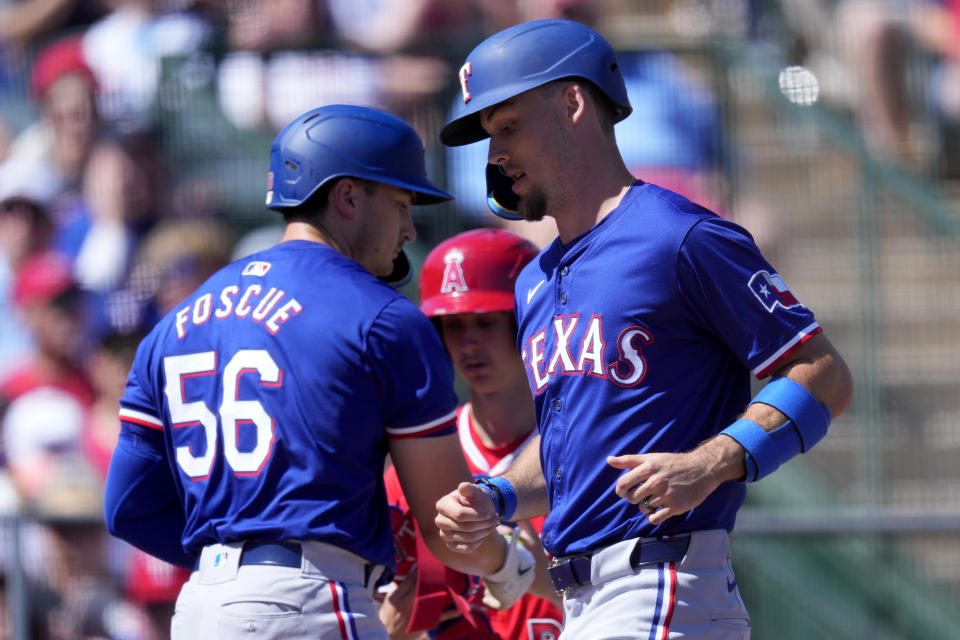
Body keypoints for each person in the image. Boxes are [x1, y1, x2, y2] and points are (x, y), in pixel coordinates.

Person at [434, 18, 855, 639]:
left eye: (509, 125)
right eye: (490, 135)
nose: (494, 154)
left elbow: (824, 376)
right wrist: (494, 497)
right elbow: (567, 453)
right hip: (583, 600)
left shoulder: (679, 235)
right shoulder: (534, 280)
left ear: (573, 102)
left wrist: (713, 461)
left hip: (661, 584)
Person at [102, 104, 535, 639]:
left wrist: (237, 565)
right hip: (309, 602)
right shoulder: (382, 317)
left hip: (199, 608)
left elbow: (127, 508)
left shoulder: (173, 325)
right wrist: (509, 564)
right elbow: (447, 526)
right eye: (400, 203)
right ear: (348, 195)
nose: (407, 228)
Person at [379, 228, 563, 640]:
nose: (468, 343)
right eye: (452, 324)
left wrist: (521, 570)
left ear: (528, 323)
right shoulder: (420, 463)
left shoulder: (582, 447)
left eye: (486, 322)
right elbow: (388, 613)